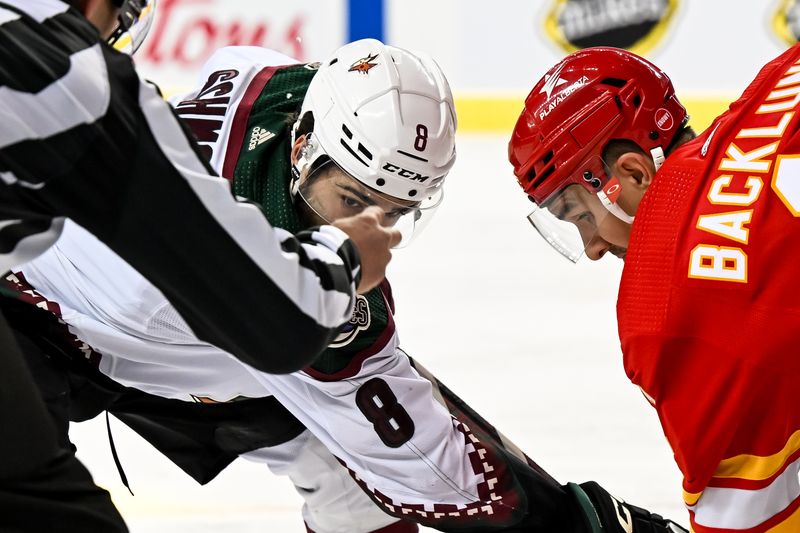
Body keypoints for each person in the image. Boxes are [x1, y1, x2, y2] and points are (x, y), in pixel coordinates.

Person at [4, 37, 689, 533]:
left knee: (347, 484)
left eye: (395, 211)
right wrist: (584, 521)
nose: (372, 225)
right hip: (38, 318)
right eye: (354, 197)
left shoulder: (288, 95)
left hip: (168, 326)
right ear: (304, 145)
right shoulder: (279, 286)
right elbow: (436, 466)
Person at [0, 0, 398, 530]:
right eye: (119, 19)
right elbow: (275, 318)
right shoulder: (72, 78)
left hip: (93, 322)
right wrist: (344, 257)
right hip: (51, 312)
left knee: (338, 461)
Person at [508, 44, 800, 532]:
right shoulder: (775, 82)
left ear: (635, 173)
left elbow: (756, 522)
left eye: (580, 215)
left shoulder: (664, 316)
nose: (594, 247)